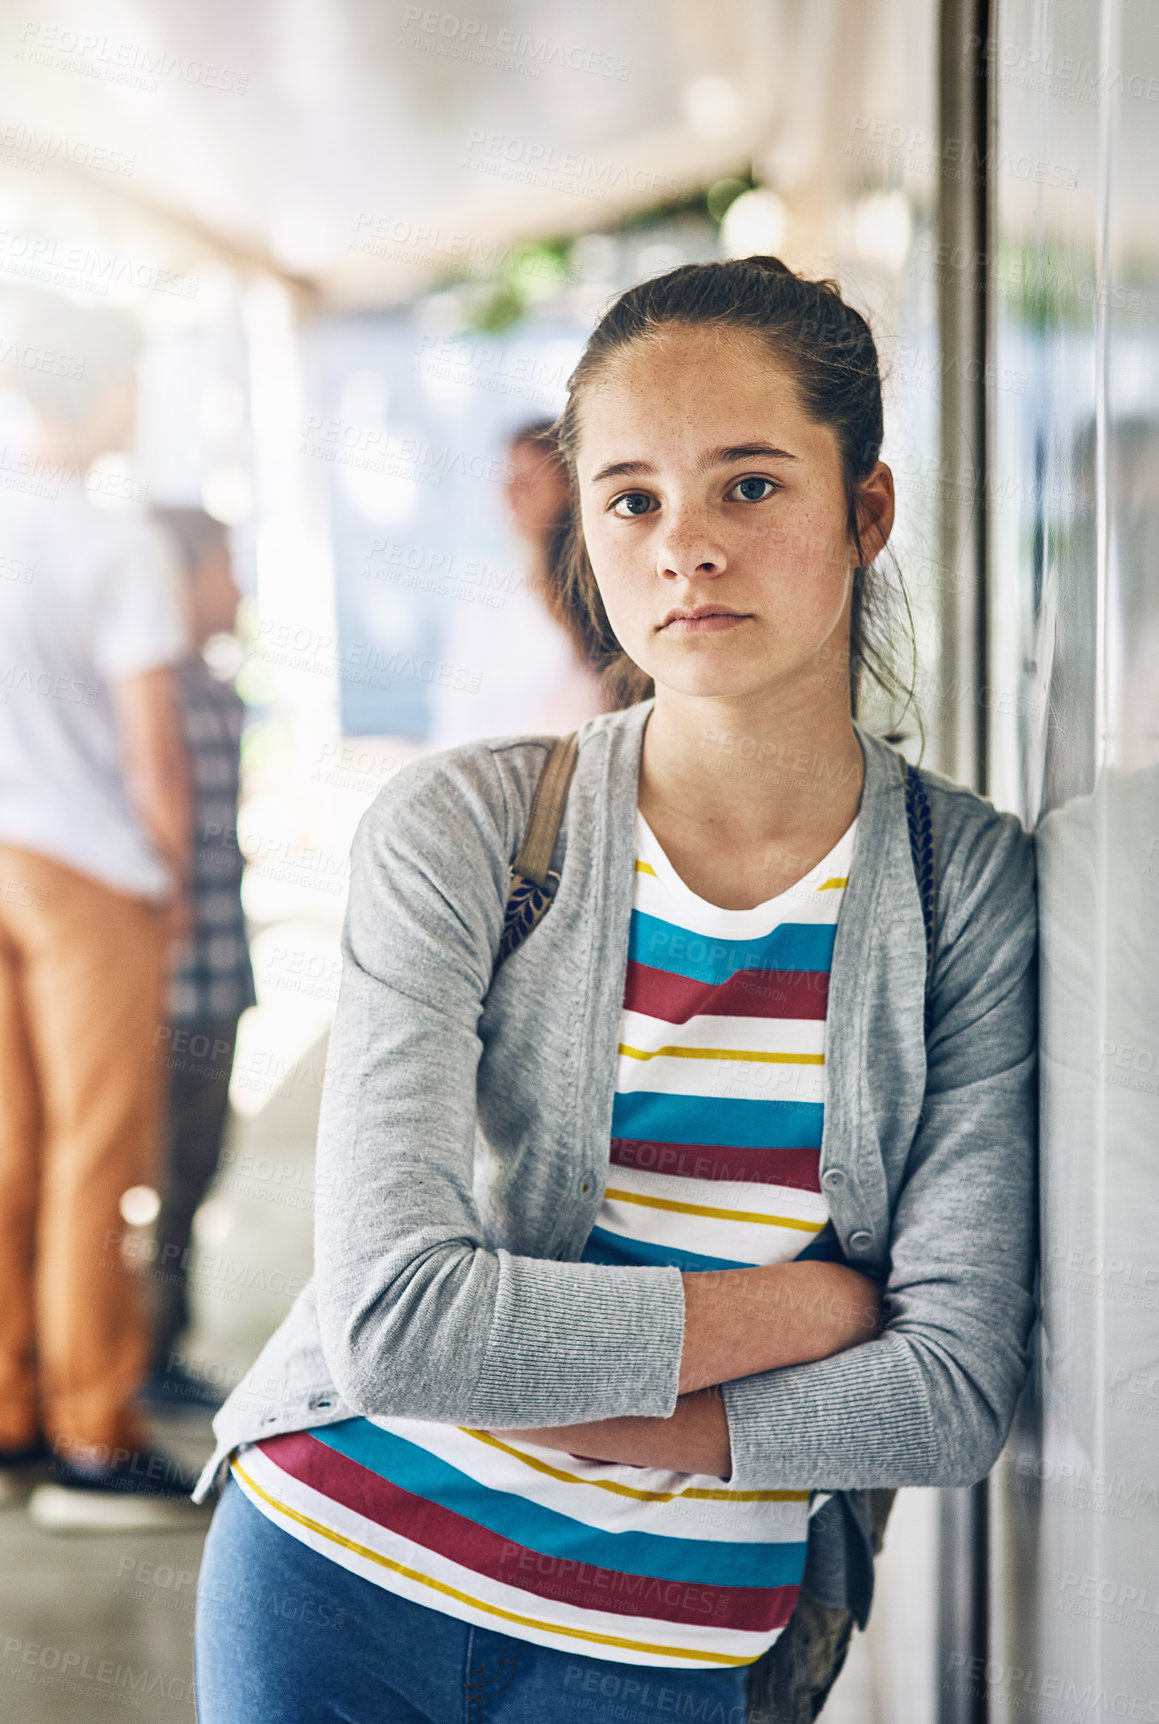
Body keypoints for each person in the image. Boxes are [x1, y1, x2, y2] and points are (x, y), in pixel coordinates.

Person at [192, 258, 1037, 1722]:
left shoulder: (963, 884)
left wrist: (545, 1386)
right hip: (334, 1570)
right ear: (585, 535)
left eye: (750, 487)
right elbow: (392, 1329)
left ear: (866, 513)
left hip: (670, 1648)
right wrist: (812, 1310)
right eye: (632, 498)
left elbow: (947, 1396)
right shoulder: (459, 827)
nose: (685, 549)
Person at [0, 300, 202, 1528]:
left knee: (7, 1147)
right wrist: (172, 883)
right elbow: (154, 755)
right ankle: (93, 1424)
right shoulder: (117, 540)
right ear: (105, 391)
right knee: (98, 1155)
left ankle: (11, 1405)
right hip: (87, 872)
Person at [142, 509, 255, 1409]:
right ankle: (116, 1358)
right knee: (138, 1178)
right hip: (150, 988)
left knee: (193, 1170)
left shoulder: (215, 690)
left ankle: (158, 1348)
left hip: (220, 975)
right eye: (223, 568)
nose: (239, 589)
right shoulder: (137, 696)